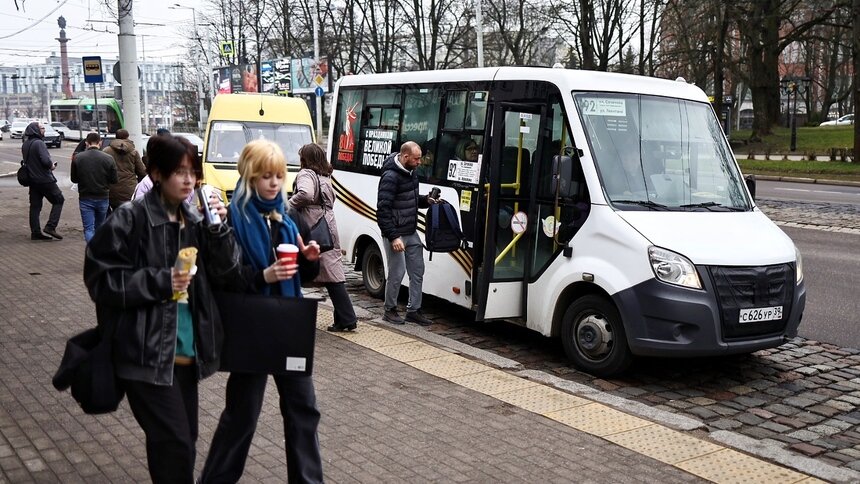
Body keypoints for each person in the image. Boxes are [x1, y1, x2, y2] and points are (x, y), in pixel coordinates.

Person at [83, 134, 241, 483]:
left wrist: (220, 229)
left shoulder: (198, 219)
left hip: (186, 354)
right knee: (176, 444)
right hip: (145, 353)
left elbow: (228, 274)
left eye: (193, 172)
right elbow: (100, 279)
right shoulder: (130, 219)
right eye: (179, 172)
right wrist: (159, 282)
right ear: (155, 173)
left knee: (177, 442)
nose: (189, 180)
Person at [200, 139, 323, 484]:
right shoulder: (231, 218)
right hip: (251, 326)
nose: (273, 183)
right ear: (250, 176)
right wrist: (263, 275)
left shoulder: (289, 217)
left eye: (279, 176)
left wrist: (308, 260)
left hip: (288, 325)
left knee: (304, 409)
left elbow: (305, 276)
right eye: (266, 175)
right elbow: (225, 278)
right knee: (242, 414)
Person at [289, 143, 358, 332]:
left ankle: (345, 318)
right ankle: (344, 318)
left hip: (313, 225)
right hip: (328, 223)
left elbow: (305, 194)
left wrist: (289, 205)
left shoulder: (306, 174)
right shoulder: (325, 175)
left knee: (301, 269)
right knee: (333, 272)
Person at [377, 141, 437, 326]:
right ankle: (390, 310)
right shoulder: (390, 177)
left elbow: (409, 199)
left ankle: (413, 310)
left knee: (418, 270)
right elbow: (383, 210)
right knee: (397, 272)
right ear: (405, 157)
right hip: (396, 232)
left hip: (410, 231)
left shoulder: (411, 173)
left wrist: (427, 200)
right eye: (417, 159)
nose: (420, 162)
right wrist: (393, 236)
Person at [70, 132, 117, 242]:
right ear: (100, 142)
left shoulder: (78, 158)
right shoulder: (109, 158)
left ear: (86, 143)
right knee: (100, 227)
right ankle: (98, 251)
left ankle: (91, 252)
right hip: (103, 197)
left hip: (85, 197)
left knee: (88, 229)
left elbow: (74, 179)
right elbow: (114, 180)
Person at [22, 121, 64, 240]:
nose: (44, 130)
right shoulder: (39, 143)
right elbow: (45, 161)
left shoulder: (26, 144)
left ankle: (35, 232)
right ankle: (50, 226)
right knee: (59, 200)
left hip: (32, 181)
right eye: (42, 128)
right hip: (45, 180)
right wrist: (52, 166)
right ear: (36, 130)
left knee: (35, 206)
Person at [105, 128, 146, 210]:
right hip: (129, 190)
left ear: (116, 137)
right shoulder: (133, 152)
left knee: (114, 214)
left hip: (112, 190)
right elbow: (142, 171)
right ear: (127, 137)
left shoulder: (106, 151)